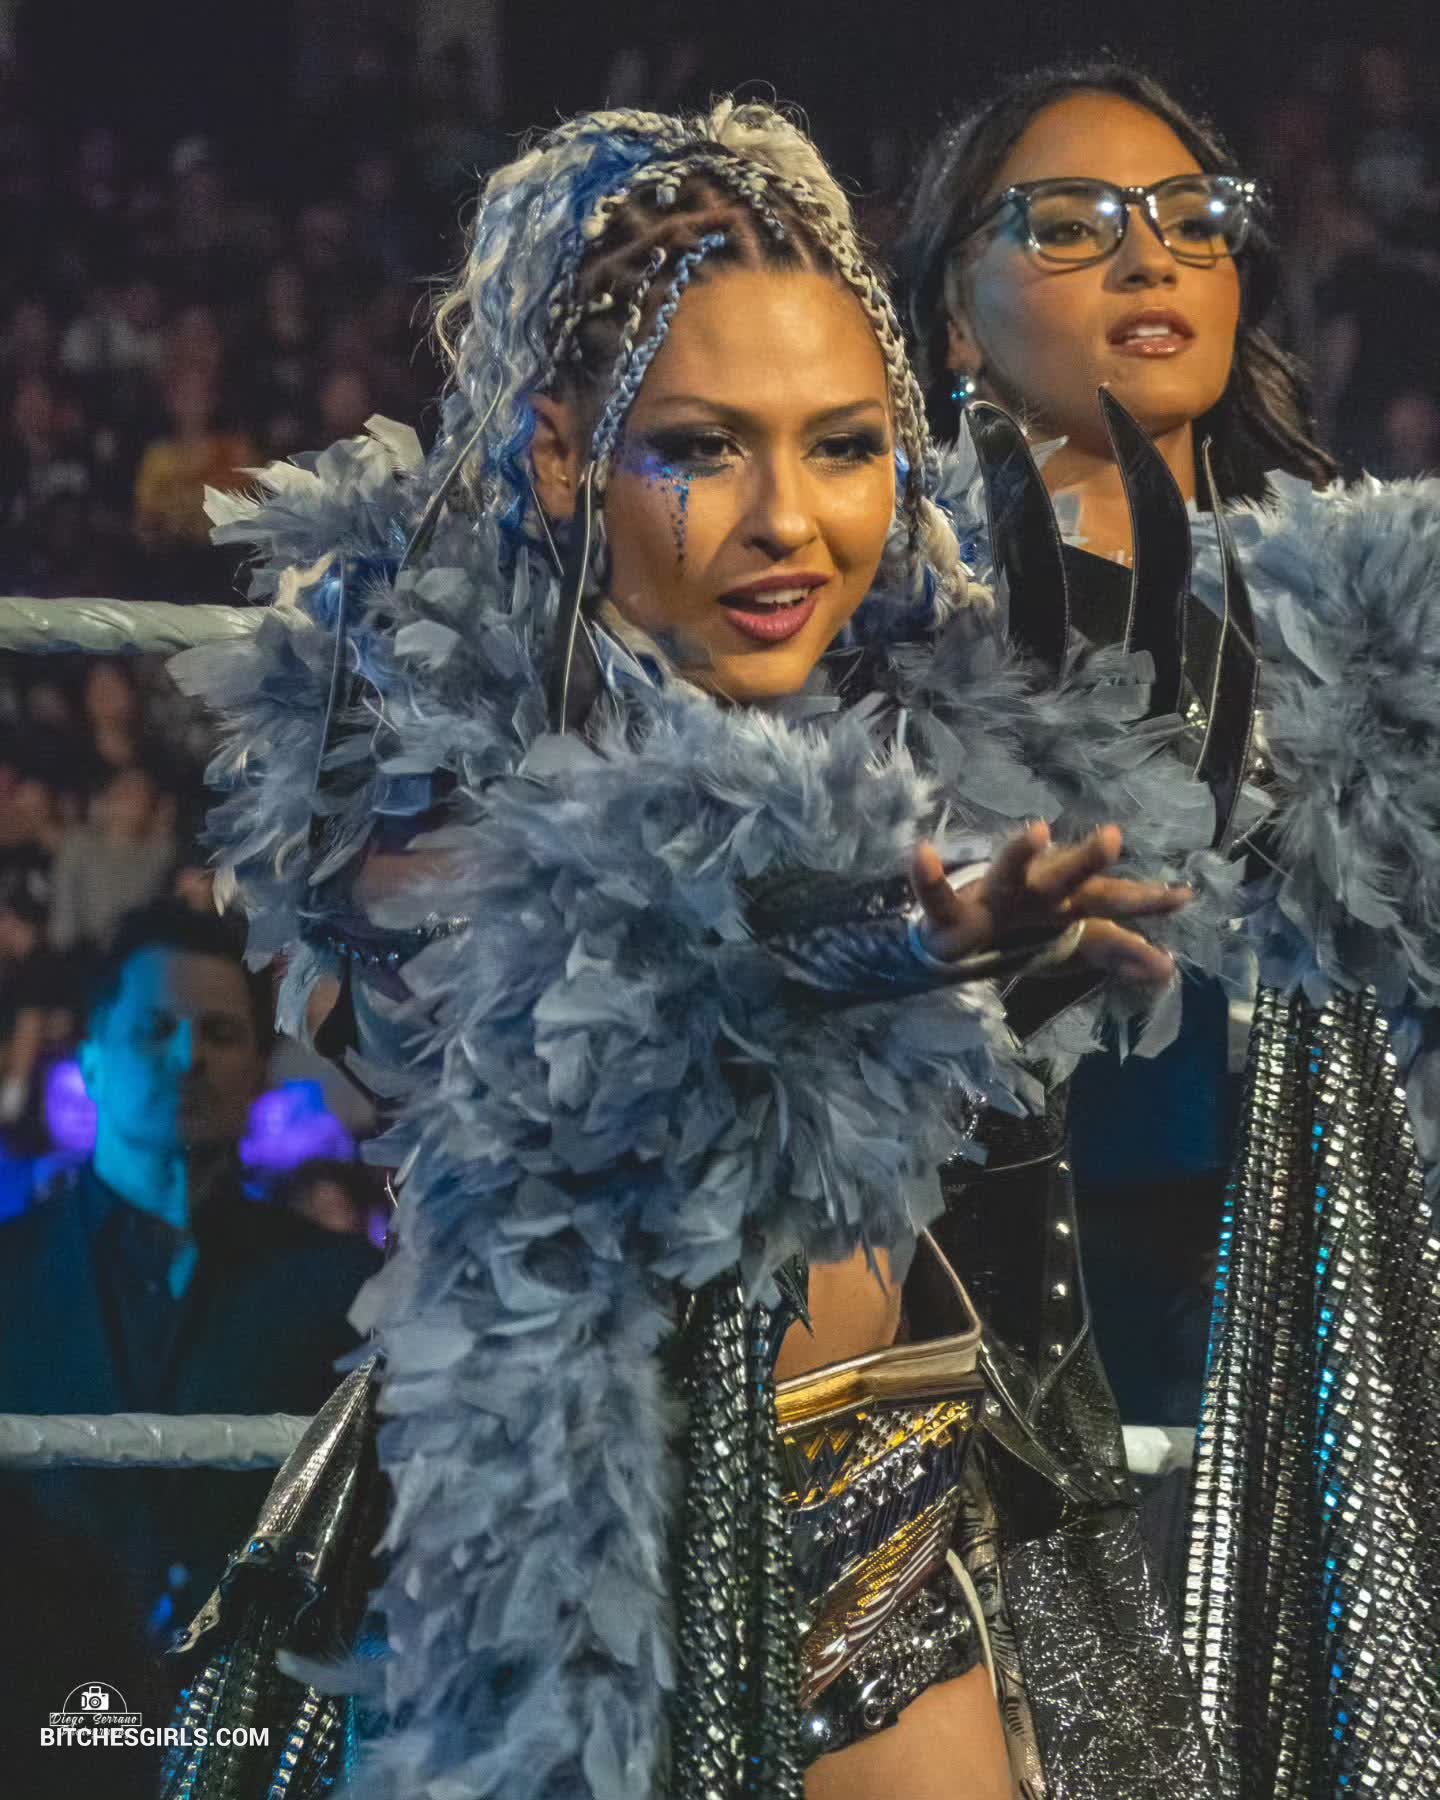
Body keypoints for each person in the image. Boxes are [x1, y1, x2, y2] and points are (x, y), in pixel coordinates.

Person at [162, 102, 1220, 1800]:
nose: (789, 519)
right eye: (707, 448)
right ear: (564, 455)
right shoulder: (415, 753)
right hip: (563, 1577)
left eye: (844, 447)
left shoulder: (918, 721)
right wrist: (896, 941)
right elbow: (600, 969)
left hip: (892, 1546)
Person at [900, 60, 1440, 1799]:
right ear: (955, 318)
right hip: (980, 1384)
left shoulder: (1382, 622)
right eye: (1069, 224)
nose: (1149, 257)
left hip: (1335, 1366)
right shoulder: (862, 619)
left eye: (1191, 219)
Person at [0, 901, 381, 1638]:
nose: (187, 1058)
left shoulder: (346, 1288)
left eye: (220, 1033)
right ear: (91, 1062)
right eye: (154, 1029)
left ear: (260, 1073)